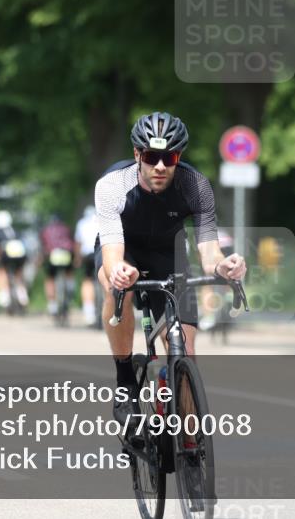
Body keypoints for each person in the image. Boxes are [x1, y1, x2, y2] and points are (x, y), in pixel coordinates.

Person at [94, 111, 246, 422]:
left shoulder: (195, 185)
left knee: (185, 351)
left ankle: (188, 445)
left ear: (179, 156)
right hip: (125, 249)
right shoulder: (111, 185)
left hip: (168, 253)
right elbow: (112, 254)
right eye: (151, 157)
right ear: (137, 154)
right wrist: (121, 271)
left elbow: (209, 252)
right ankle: (125, 380)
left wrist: (224, 267)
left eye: (170, 157)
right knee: (113, 284)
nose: (160, 166)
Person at [40, 214, 75, 317]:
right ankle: (69, 288)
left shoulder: (46, 230)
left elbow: (44, 246)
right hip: (67, 254)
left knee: (50, 278)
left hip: (53, 256)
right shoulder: (67, 229)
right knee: (69, 272)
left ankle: (52, 305)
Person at [74, 205, 101, 326]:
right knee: (105, 279)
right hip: (101, 253)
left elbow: (78, 243)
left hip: (88, 255)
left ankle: (88, 311)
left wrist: (77, 259)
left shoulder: (81, 223)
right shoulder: (102, 220)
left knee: (87, 281)